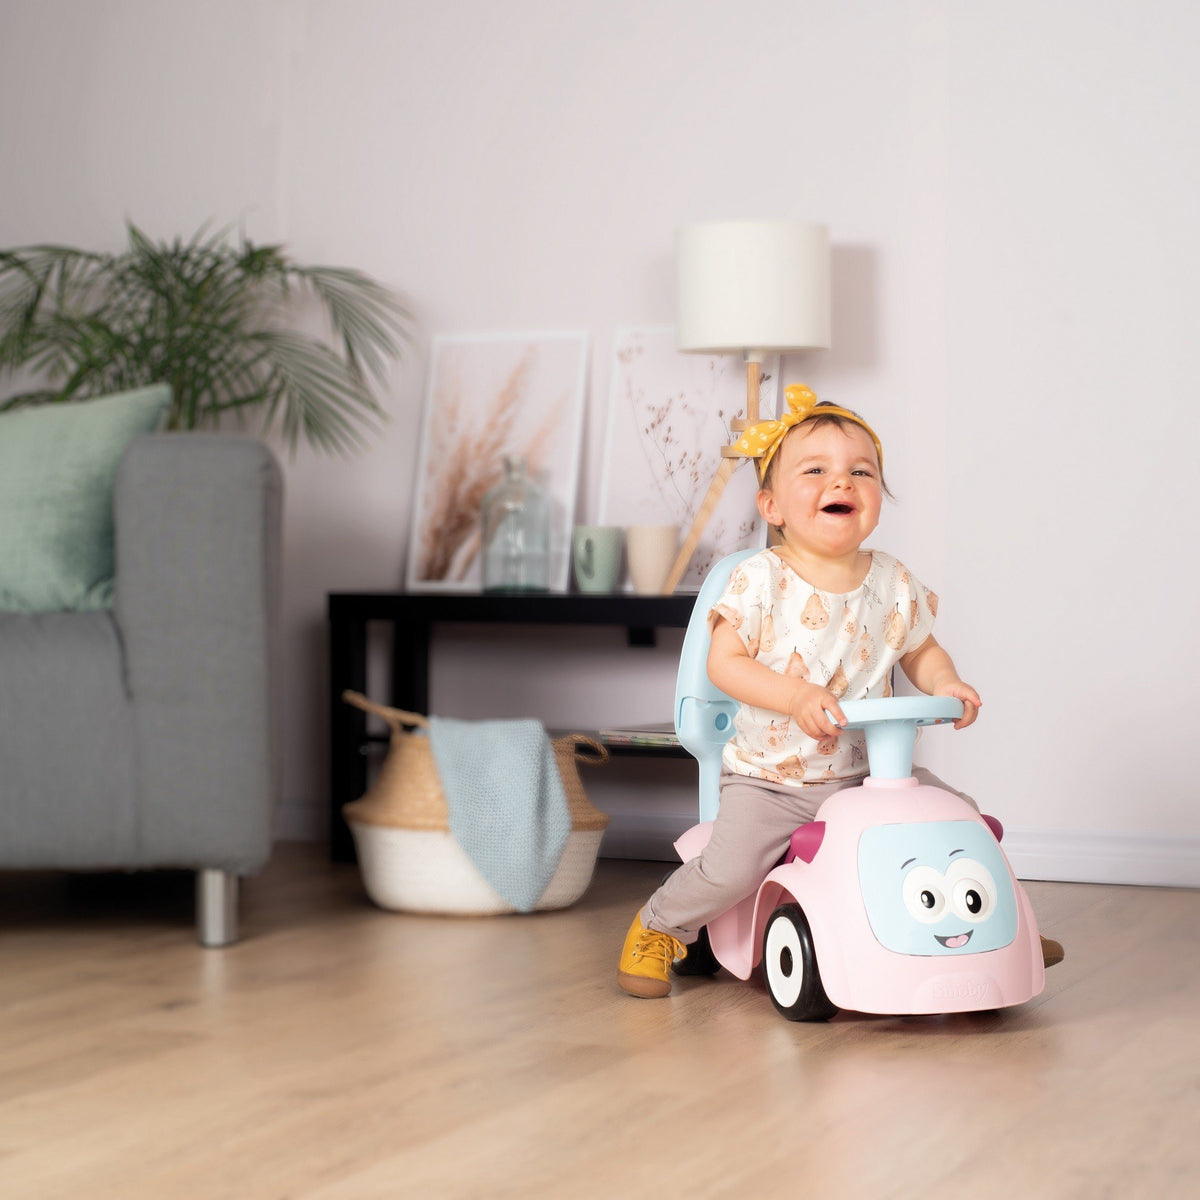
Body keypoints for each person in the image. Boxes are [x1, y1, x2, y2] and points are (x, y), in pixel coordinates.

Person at [617, 385, 1064, 998]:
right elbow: (725, 664)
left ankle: (994, 927)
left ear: (878, 496)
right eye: (815, 471)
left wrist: (945, 682)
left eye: (861, 471)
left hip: (870, 774)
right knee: (730, 869)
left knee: (960, 822)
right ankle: (659, 925)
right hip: (774, 781)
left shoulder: (893, 581)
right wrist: (794, 697)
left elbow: (921, 650)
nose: (841, 482)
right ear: (772, 505)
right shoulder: (758, 579)